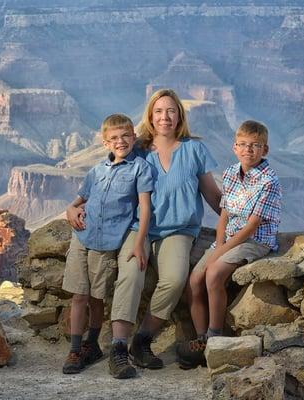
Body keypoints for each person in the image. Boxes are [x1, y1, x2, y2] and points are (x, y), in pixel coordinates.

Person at [126, 88, 222, 369]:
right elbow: (112, 184)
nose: (164, 117)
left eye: (170, 111)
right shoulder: (139, 151)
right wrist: (78, 205)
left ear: (179, 115)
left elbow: (213, 195)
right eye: (158, 111)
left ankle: (142, 340)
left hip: (180, 230)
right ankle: (116, 342)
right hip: (141, 228)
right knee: (130, 272)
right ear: (150, 116)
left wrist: (242, 222)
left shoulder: (194, 149)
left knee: (175, 279)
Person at [176, 120, 282, 369]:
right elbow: (224, 213)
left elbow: (251, 226)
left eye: (255, 146)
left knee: (213, 274)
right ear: (235, 147)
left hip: (255, 240)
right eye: (243, 145)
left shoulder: (269, 181)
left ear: (264, 150)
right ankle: (202, 341)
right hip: (229, 238)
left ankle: (215, 337)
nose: (249, 150)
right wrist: (219, 242)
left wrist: (221, 252)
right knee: (194, 280)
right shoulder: (232, 173)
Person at [62, 114, 153, 379]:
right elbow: (81, 199)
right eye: (113, 138)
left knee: (96, 296)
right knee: (78, 295)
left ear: (133, 138)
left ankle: (92, 343)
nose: (120, 141)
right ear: (105, 143)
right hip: (82, 236)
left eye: (125, 136)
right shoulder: (96, 171)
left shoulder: (140, 169)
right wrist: (70, 207)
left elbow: (144, 208)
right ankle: (75, 349)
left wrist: (138, 243)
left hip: (108, 242)